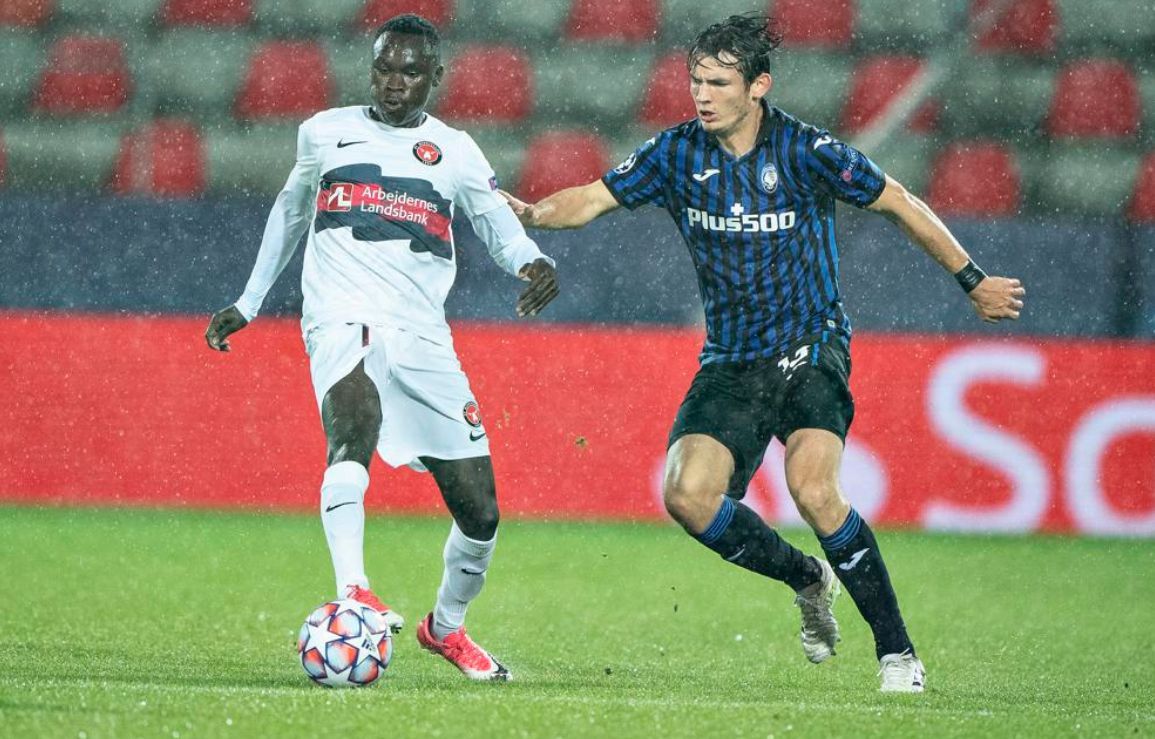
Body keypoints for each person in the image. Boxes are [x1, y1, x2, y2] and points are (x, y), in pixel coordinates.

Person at [502, 14, 1024, 693]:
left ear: (757, 87)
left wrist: (971, 278)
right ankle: (805, 576)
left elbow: (897, 200)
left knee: (813, 487)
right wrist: (537, 214)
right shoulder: (675, 154)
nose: (702, 94)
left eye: (718, 82)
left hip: (811, 348)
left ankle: (896, 652)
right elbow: (594, 198)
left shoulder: (806, 150)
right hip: (731, 359)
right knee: (687, 495)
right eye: (695, 80)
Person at [204, 14, 558, 682]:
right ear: (371, 67)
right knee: (353, 431)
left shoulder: (454, 151)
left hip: (421, 334)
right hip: (340, 313)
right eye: (384, 67)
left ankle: (445, 628)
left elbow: (495, 223)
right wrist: (249, 301)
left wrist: (532, 262)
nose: (394, 82)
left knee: (480, 513)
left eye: (410, 71)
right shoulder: (324, 131)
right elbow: (290, 211)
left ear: (435, 77)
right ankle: (354, 590)